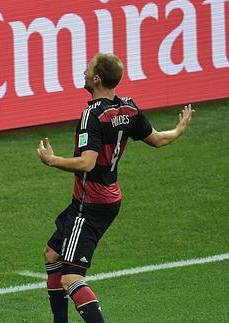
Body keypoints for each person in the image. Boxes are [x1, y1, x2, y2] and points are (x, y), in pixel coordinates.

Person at [37, 53, 194, 323]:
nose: (84, 71)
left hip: (91, 203)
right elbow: (157, 140)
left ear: (97, 79)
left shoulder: (92, 115)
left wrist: (52, 161)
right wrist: (178, 130)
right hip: (102, 199)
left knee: (71, 277)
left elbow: (87, 163)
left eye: (88, 69)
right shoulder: (128, 109)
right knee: (52, 253)